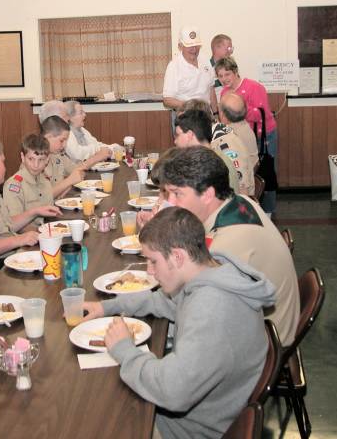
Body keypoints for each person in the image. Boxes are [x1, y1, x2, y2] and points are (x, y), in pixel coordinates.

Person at [82, 207, 276, 439]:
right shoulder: (213, 272)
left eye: (153, 262)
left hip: (190, 430)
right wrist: (105, 307)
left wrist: (124, 350)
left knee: (96, 417)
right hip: (205, 411)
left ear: (178, 256)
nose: (150, 272)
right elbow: (164, 302)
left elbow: (172, 392)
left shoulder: (211, 308)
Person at [159, 145, 300, 345]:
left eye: (177, 193)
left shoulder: (225, 248)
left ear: (207, 194)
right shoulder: (238, 201)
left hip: (264, 345)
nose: (171, 202)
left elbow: (196, 309)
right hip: (263, 324)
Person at [215, 57, 278, 214]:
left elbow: (261, 114)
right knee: (244, 173)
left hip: (264, 136)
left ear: (235, 72)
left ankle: (268, 212)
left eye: (227, 74)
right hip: (240, 138)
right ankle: (249, 209)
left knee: (266, 173)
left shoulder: (254, 87)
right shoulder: (224, 92)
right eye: (220, 76)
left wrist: (237, 108)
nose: (224, 79)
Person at [173, 108, 240, 194]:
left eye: (178, 135)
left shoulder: (216, 164)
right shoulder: (202, 158)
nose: (175, 141)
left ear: (189, 135)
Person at [3, 134, 56, 228]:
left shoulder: (45, 182)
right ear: (23, 157)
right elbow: (13, 224)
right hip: (26, 239)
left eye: (41, 160)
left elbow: (49, 216)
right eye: (31, 159)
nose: (36, 165)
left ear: (47, 160)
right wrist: (39, 234)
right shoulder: (14, 185)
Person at [162, 27, 218, 116]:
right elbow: (167, 100)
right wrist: (192, 106)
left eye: (196, 45)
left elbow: (211, 90)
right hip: (186, 118)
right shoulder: (174, 66)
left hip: (207, 116)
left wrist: (216, 114)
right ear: (180, 46)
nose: (194, 49)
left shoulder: (205, 60)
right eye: (189, 46)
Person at [41, 115, 86, 197]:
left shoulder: (58, 155)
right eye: (62, 140)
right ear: (48, 137)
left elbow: (79, 171)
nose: (64, 145)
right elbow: (42, 198)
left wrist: (67, 185)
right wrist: (68, 182)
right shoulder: (34, 161)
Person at [219, 92, 259, 174]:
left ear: (223, 115)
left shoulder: (230, 136)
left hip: (240, 181)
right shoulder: (244, 125)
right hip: (248, 175)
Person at [64, 100, 114, 164]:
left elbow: (95, 144)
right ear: (70, 117)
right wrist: (99, 150)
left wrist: (112, 147)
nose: (85, 115)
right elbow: (77, 154)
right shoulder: (67, 133)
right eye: (81, 113)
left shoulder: (82, 129)